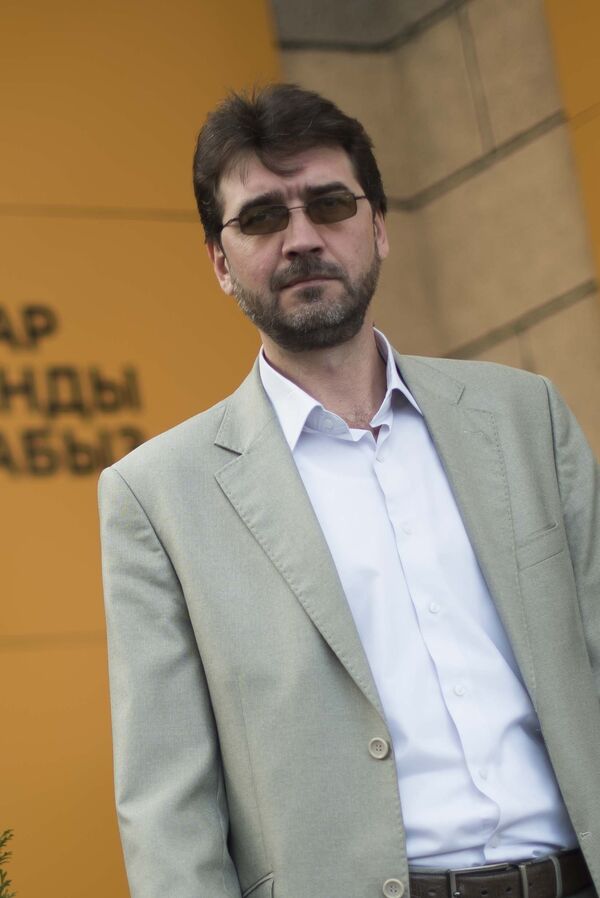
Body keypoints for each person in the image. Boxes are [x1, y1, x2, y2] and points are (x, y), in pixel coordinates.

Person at [98, 84, 600, 898]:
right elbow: (167, 814)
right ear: (220, 261)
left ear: (379, 227)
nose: (302, 238)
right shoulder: (157, 498)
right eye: (262, 217)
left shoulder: (525, 417)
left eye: (330, 204)